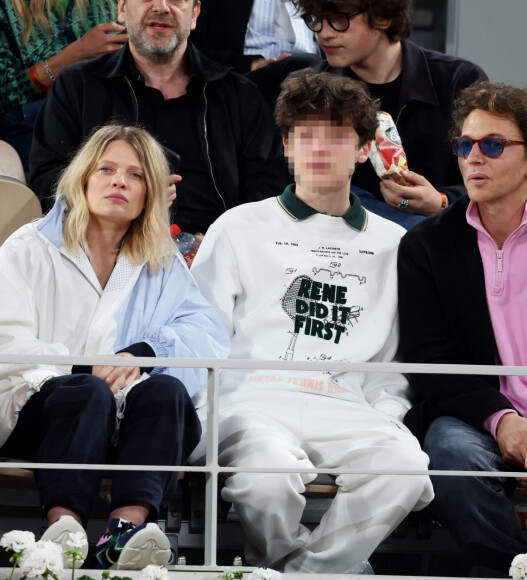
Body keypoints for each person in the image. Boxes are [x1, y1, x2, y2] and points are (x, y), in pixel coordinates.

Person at [190, 71, 433, 573]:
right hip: (251, 396)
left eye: (339, 135)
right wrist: (204, 410)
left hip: (343, 400)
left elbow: (389, 362)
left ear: (365, 149)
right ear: (286, 146)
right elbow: (200, 335)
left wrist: (388, 416)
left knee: (406, 468)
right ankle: (321, 568)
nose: (320, 147)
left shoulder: (394, 244)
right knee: (265, 478)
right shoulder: (237, 226)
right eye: (306, 134)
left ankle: (302, 571)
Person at [0, 124, 230, 570]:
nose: (119, 181)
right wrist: (88, 370)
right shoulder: (29, 247)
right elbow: (7, 338)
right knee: (86, 393)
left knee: (167, 392)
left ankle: (124, 533)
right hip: (38, 417)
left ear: (153, 194)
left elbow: (207, 337)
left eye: (136, 175)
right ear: (83, 178)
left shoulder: (160, 259)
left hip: (125, 424)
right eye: (106, 169)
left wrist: (140, 354)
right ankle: (60, 530)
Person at [397, 81, 527, 577]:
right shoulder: (425, 246)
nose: (474, 157)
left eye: (493, 145)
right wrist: (503, 422)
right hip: (474, 415)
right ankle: (514, 573)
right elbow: (428, 363)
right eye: (465, 145)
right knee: (450, 457)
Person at [28, 0, 290, 234]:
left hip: (218, 258)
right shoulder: (78, 86)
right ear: (121, 8)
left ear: (195, 13)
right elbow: (45, 183)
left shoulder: (239, 95)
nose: (162, 7)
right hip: (108, 253)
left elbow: (269, 189)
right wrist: (118, 193)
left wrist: (224, 243)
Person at [287, 0, 487, 228]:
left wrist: (441, 202)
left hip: (433, 241)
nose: (324, 33)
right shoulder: (306, 91)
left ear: (383, 17)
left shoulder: (457, 81)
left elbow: (493, 177)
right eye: (315, 19)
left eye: (339, 19)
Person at [0, 0, 127, 172]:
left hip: (106, 111)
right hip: (33, 124)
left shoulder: (108, 4)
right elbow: (5, 92)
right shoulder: (7, 8)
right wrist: (76, 54)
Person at [192, 0, 321, 108]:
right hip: (244, 78)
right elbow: (197, 50)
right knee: (305, 67)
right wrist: (251, 64)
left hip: (316, 74)